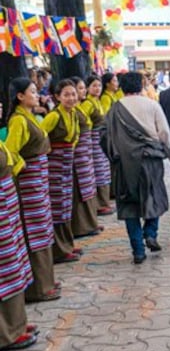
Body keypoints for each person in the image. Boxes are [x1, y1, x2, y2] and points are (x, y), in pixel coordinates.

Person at [106, 72, 170, 264]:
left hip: (125, 163)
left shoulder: (114, 109)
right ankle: (150, 232)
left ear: (121, 87)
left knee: (129, 206)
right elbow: (165, 133)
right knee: (154, 196)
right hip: (149, 159)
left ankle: (138, 251)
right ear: (141, 85)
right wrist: (162, 149)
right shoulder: (152, 105)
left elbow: (106, 137)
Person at [5, 78, 60, 302]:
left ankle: (46, 280)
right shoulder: (18, 121)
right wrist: (23, 166)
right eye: (33, 92)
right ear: (20, 96)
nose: (37, 95)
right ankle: (38, 287)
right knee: (35, 234)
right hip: (29, 185)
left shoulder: (30, 117)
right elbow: (10, 152)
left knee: (43, 231)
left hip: (39, 182)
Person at [0, 139, 37, 350]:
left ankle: (16, 324)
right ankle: (6, 333)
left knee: (13, 265)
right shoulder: (19, 122)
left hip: (7, 202)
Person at [40, 79, 81, 263]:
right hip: (55, 167)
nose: (71, 98)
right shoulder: (54, 116)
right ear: (57, 97)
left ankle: (67, 244)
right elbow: (40, 136)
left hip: (66, 165)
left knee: (66, 206)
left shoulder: (72, 114)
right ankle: (59, 249)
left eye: (73, 94)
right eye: (66, 95)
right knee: (57, 208)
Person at [71, 77, 101, 239]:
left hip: (85, 151)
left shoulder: (80, 108)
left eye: (82, 89)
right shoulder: (71, 110)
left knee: (88, 187)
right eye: (79, 89)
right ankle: (81, 226)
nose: (79, 93)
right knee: (79, 190)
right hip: (76, 155)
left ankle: (90, 222)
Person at [83, 75, 114, 215]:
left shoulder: (97, 101)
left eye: (99, 86)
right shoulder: (87, 104)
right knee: (99, 171)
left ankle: (105, 201)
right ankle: (100, 203)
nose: (97, 88)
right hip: (94, 141)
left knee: (104, 171)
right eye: (94, 86)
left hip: (102, 139)